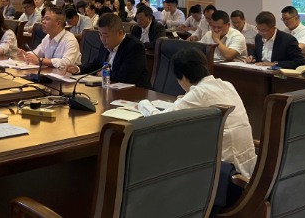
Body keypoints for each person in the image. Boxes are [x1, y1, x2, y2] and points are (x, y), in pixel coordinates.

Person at [137, 48, 257, 204]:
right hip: (248, 175)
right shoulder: (226, 85)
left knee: (159, 152)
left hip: (226, 181)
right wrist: (187, 98)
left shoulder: (199, 93)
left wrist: (144, 104)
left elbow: (159, 121)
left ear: (183, 77)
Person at [61, 13, 151, 89]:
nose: (102, 39)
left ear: (119, 33)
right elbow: (96, 65)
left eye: (105, 36)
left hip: (136, 94)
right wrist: (78, 69)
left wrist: (105, 74)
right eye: (100, 35)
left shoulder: (135, 46)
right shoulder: (106, 44)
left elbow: (126, 76)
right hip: (110, 89)